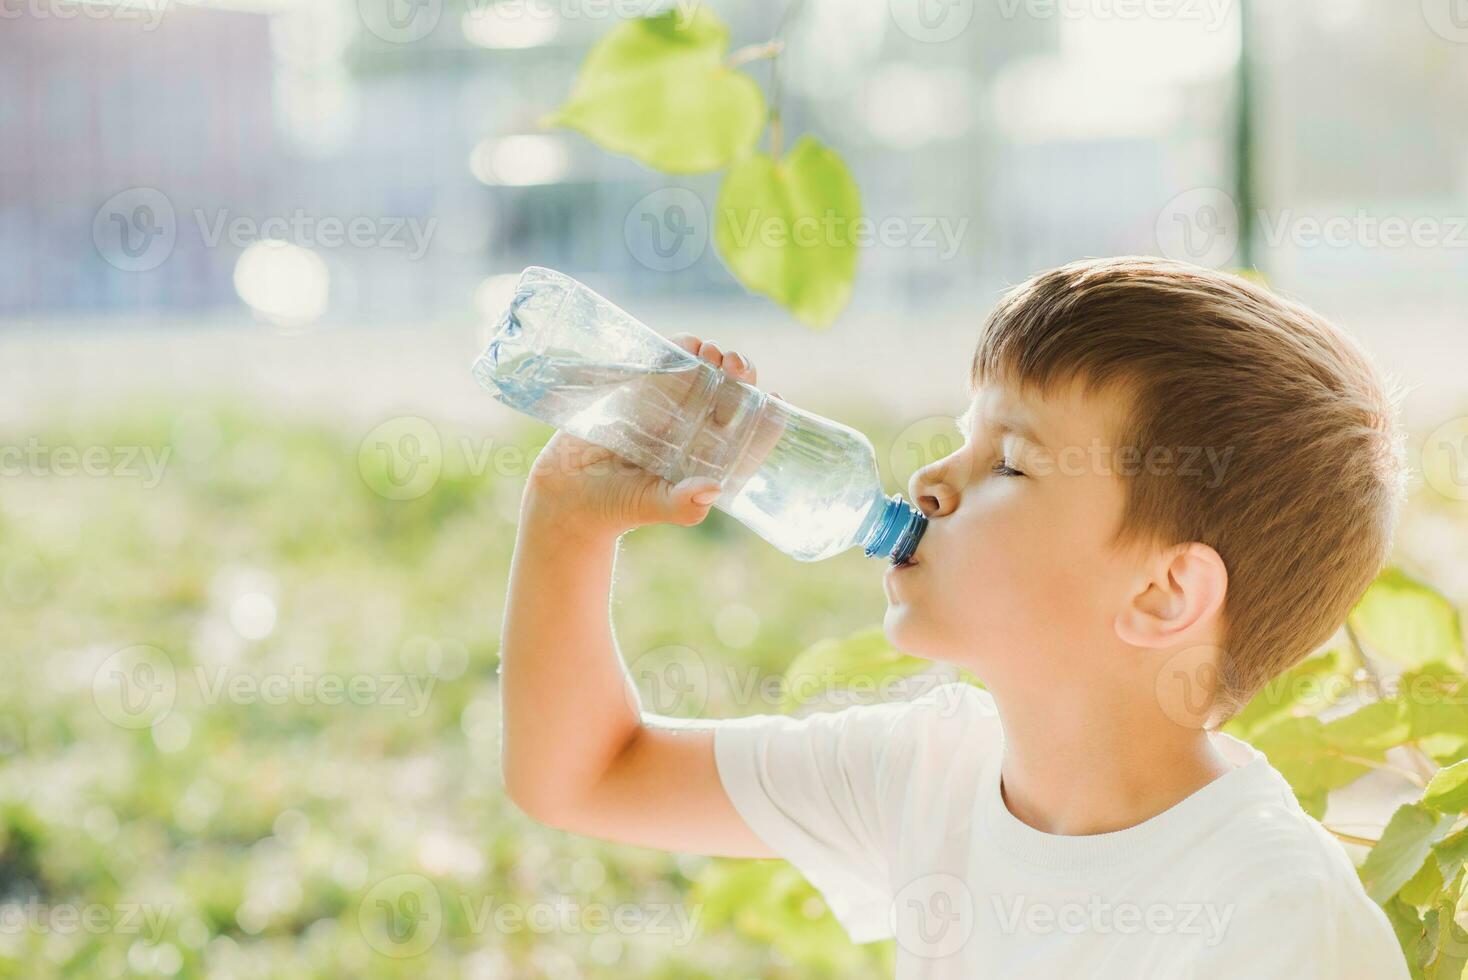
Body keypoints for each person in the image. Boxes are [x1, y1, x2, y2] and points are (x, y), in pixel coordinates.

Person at [497, 256, 1411, 978]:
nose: (932, 481)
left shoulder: (1275, 919)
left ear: (1160, 595)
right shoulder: (929, 773)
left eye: (1009, 462)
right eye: (961, 437)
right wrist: (567, 520)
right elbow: (585, 775)